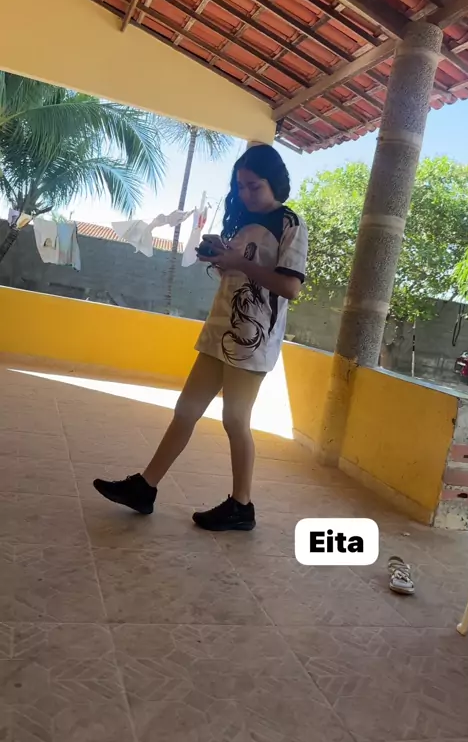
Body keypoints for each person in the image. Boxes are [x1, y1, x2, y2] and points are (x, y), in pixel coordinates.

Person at [93, 144, 308, 531]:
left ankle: (242, 506)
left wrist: (239, 261)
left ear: (274, 183)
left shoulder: (290, 223)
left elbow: (290, 287)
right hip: (219, 328)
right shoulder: (242, 220)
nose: (245, 194)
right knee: (186, 409)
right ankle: (145, 488)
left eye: (254, 186)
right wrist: (221, 256)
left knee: (235, 420)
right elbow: (237, 273)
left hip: (253, 340)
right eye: (240, 186)